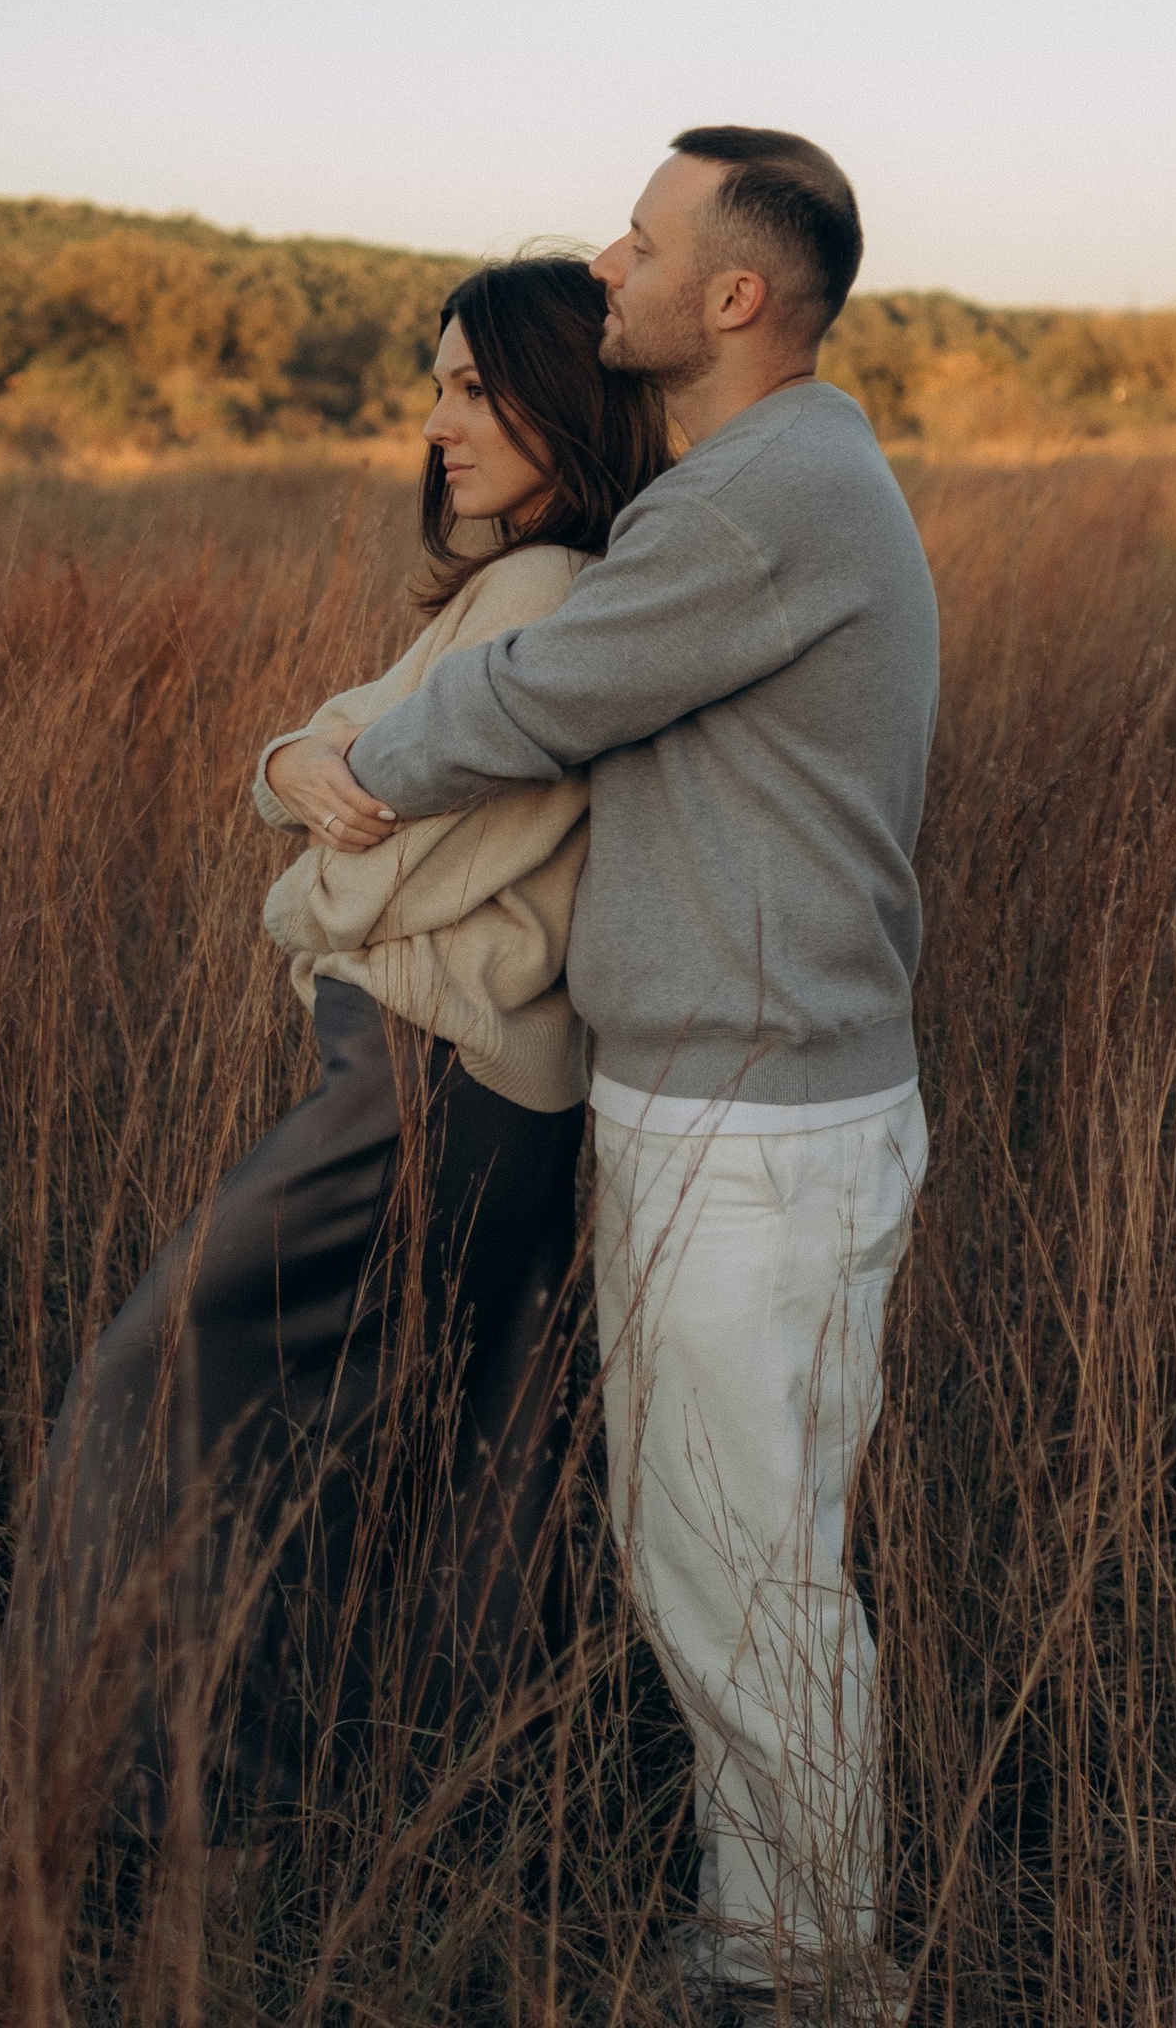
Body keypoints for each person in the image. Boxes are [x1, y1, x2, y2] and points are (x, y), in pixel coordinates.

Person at [300, 129, 939, 2024]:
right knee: (719, 1548)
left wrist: (349, 766)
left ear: (735, 297)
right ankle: (775, 1940)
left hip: (760, 1127)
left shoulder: (760, 498)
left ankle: (810, 1973)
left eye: (643, 243)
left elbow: (538, 695)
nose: (607, 263)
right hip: (726, 1104)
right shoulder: (764, 478)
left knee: (743, 1564)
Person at [0, 253, 670, 1836]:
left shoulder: (550, 594)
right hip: (467, 1089)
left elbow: (379, 867)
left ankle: (134, 1799)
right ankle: (349, 1803)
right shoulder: (528, 586)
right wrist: (295, 757)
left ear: (556, 393)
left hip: (424, 1084)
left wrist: (302, 875)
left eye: (464, 387)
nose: (433, 423)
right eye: (432, 387)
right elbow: (320, 748)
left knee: (156, 1383)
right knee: (420, 1442)